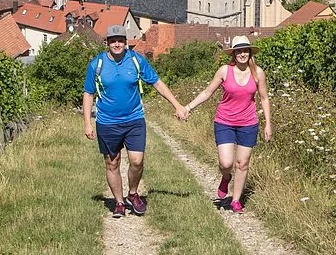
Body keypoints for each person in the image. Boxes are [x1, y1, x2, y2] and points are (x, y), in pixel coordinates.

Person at [82, 25, 187, 218]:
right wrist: (88, 122)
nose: (117, 44)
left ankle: (132, 193)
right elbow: (88, 93)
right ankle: (119, 203)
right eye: (113, 40)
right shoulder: (96, 65)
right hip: (107, 122)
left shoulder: (136, 60)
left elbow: (157, 82)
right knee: (112, 163)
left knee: (137, 161)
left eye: (120, 40)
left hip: (134, 119)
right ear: (107, 43)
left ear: (126, 41)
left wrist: (177, 105)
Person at [185, 35, 271, 213]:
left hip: (248, 123)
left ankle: (236, 200)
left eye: (245, 50)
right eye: (239, 51)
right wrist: (188, 107)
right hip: (225, 121)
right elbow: (208, 92)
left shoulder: (258, 73)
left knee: (242, 163)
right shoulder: (224, 71)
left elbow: (264, 98)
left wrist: (268, 124)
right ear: (233, 54)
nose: (242, 54)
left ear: (250, 53)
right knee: (226, 163)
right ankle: (226, 178)